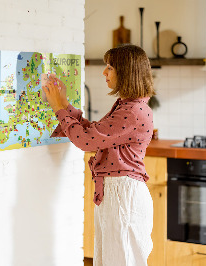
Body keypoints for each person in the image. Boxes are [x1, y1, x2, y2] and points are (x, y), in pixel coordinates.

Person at [43, 44, 155, 266]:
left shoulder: (132, 111)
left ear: (126, 72)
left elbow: (86, 141)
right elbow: (94, 133)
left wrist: (58, 108)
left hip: (123, 195)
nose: (104, 72)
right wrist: (65, 104)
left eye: (110, 67)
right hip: (117, 193)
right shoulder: (128, 106)